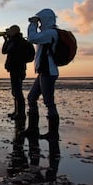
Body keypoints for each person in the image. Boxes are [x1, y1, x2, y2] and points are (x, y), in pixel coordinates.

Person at [21, 8, 60, 141]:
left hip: (48, 71)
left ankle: (53, 133)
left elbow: (32, 38)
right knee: (32, 98)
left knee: (49, 102)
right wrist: (35, 24)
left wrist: (32, 24)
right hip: (44, 71)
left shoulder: (51, 33)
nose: (39, 22)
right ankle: (33, 129)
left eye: (40, 20)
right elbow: (34, 39)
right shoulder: (47, 33)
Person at [1, 25, 28, 126]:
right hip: (14, 69)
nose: (9, 32)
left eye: (11, 31)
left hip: (18, 69)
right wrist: (6, 40)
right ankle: (17, 112)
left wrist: (9, 40)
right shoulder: (13, 41)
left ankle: (21, 114)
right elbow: (4, 51)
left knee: (18, 92)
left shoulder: (18, 41)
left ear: (15, 31)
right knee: (15, 91)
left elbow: (9, 50)